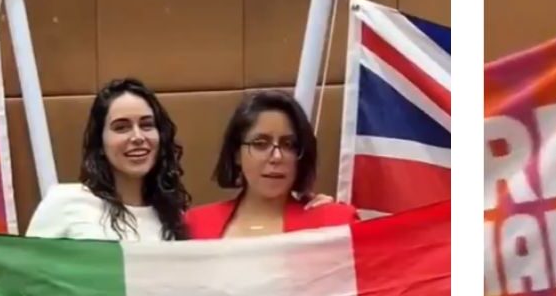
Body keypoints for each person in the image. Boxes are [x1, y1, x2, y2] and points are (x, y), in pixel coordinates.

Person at [26, 78, 191, 241]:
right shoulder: (64, 202)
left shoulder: (173, 217)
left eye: (146, 125)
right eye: (121, 127)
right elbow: (30, 266)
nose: (138, 137)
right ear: (100, 143)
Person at [186, 90, 357, 239]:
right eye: (260, 144)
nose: (276, 156)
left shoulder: (335, 224)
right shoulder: (194, 225)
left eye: (288, 144)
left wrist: (326, 217)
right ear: (237, 154)